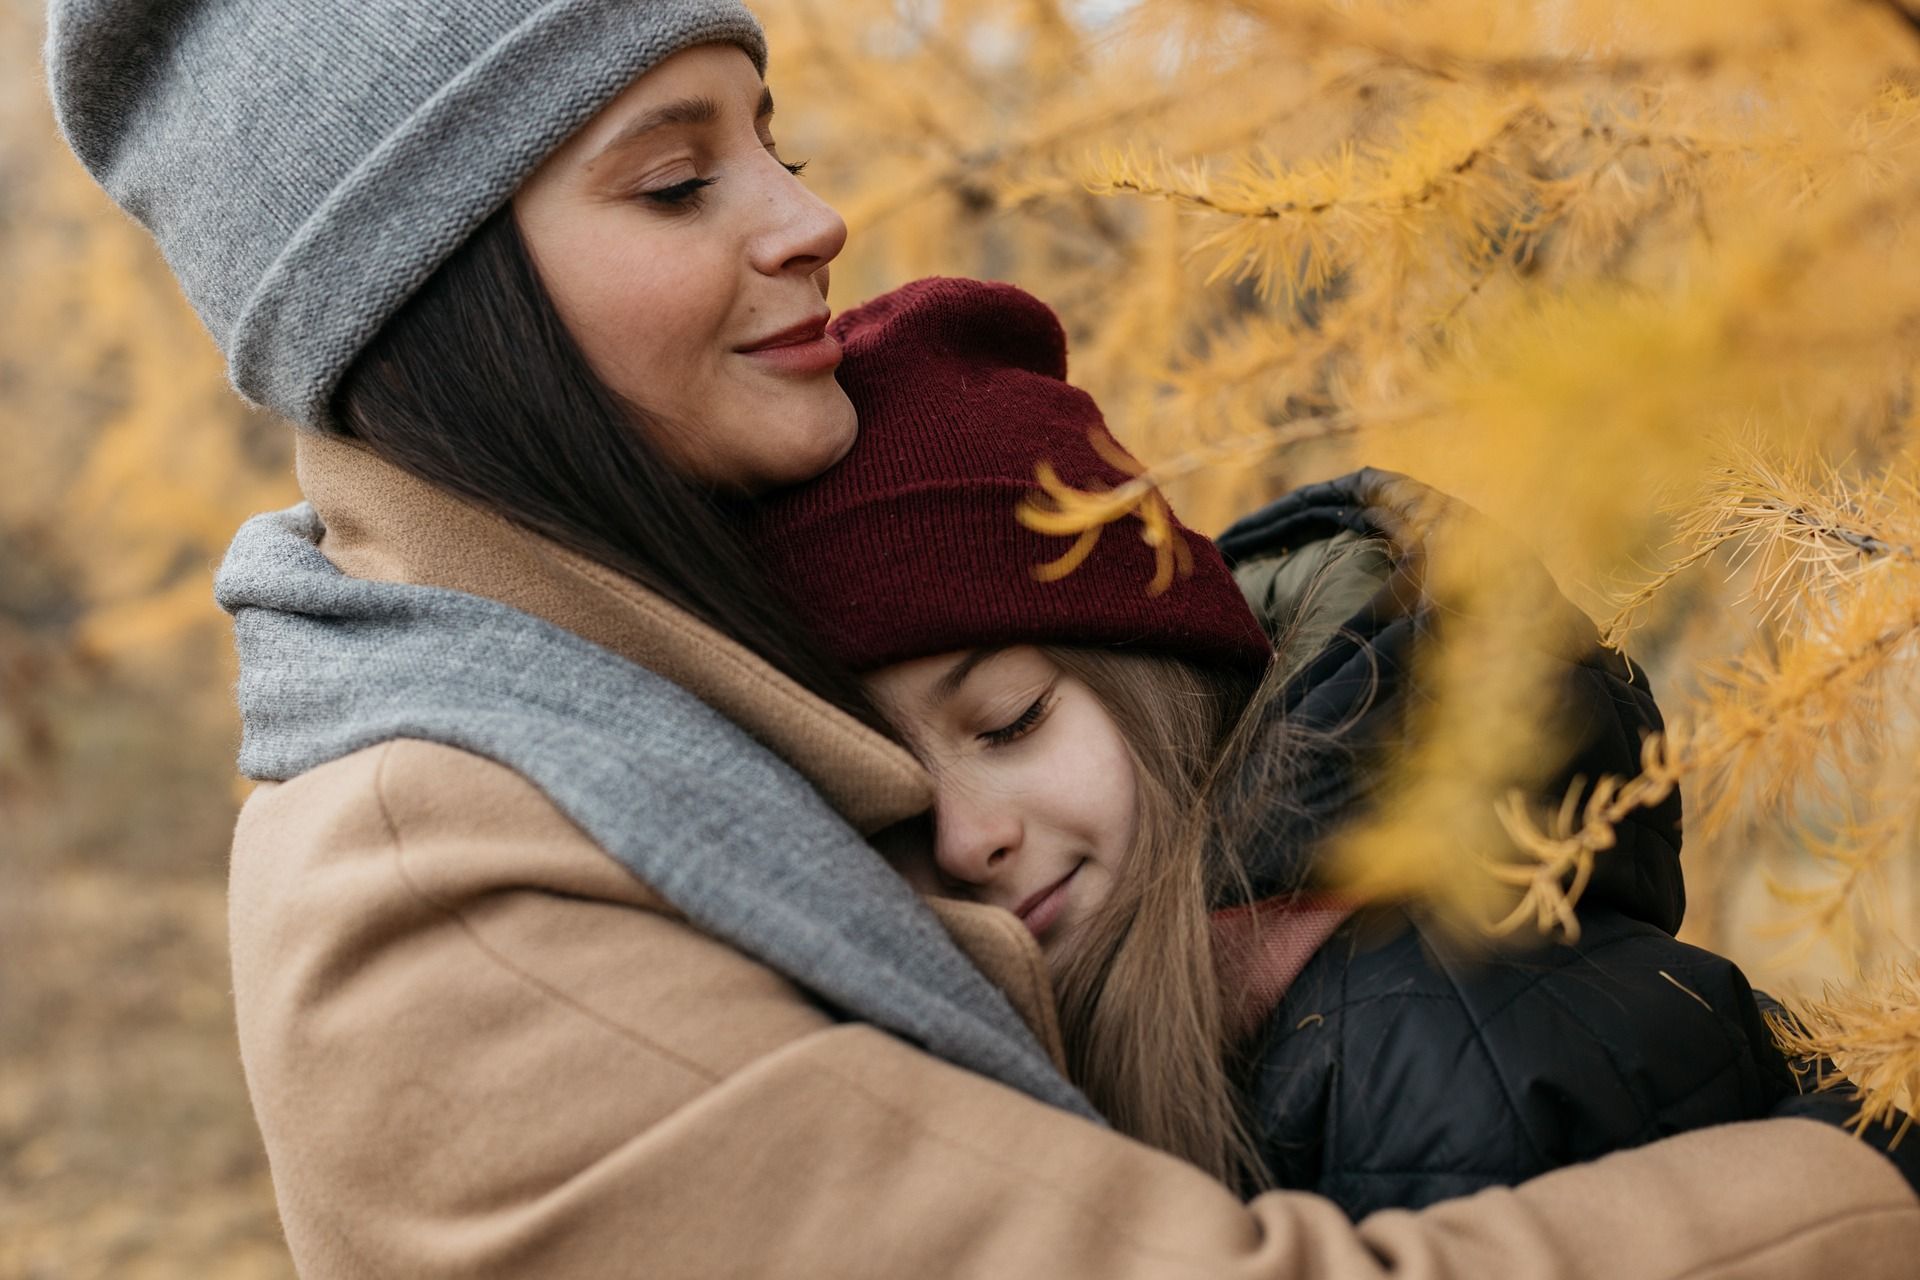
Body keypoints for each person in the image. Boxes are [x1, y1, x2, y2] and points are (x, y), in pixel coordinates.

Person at [43, 2, 1920, 1276]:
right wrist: (1864, 1200)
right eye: (677, 179)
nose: (813, 216)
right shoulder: (447, 899)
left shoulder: (639, 691)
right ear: (445, 308)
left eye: (767, 139)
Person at [740, 276, 1813, 1210]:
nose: (970, 836)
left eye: (1015, 720)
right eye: (888, 794)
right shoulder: (1153, 1024)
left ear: (1156, 669)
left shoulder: (1424, 1037)